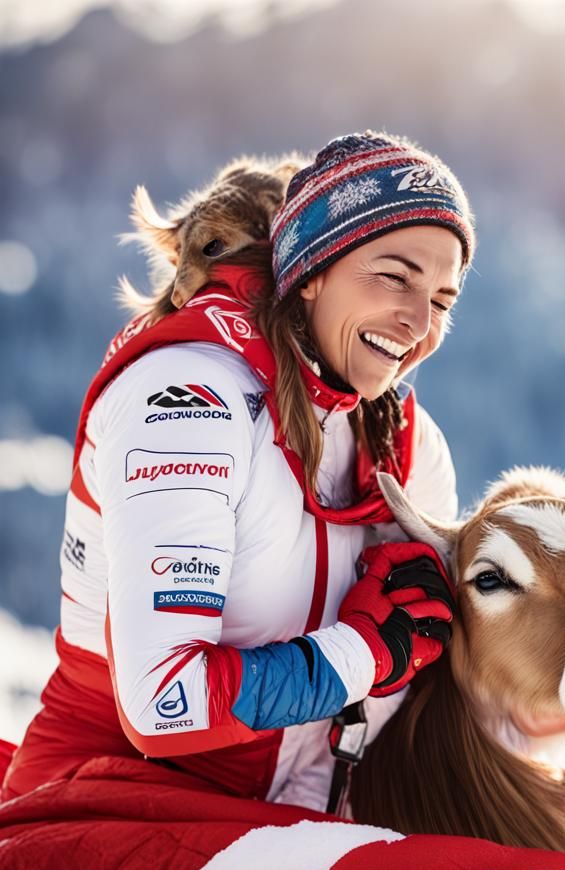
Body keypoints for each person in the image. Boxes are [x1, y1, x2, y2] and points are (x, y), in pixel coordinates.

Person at [1, 131, 475, 811]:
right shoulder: (188, 397)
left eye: (443, 300)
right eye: (394, 276)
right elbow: (166, 704)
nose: (417, 321)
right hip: (106, 803)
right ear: (312, 270)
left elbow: (419, 661)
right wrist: (365, 654)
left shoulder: (398, 436)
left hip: (289, 818)